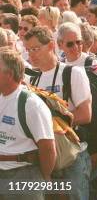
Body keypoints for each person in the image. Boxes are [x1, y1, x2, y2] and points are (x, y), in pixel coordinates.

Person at [24, 26, 92, 200]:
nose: (31, 54)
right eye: (28, 50)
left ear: (51, 45)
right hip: (45, 155)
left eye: (36, 49)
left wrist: (50, 124)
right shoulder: (31, 79)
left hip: (73, 154)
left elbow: (85, 115)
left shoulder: (72, 73)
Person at [0, 48, 56, 200]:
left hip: (24, 176)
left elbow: (48, 149)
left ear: (9, 75)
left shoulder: (31, 104)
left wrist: (43, 178)